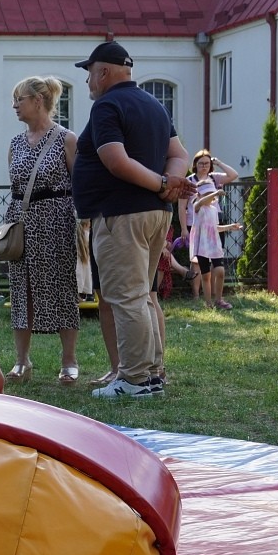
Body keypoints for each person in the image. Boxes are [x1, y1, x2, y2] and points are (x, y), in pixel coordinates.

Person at [70, 41, 194, 399]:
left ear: (104, 71)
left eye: (90, 73)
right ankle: (151, 375)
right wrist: (168, 184)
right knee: (141, 296)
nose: (88, 82)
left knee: (126, 297)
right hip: (156, 214)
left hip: (121, 214)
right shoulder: (153, 105)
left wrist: (161, 183)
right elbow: (179, 154)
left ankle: (136, 380)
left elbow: (115, 160)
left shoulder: (107, 106)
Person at [4, 75, 81, 386]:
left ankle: (69, 360)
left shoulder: (66, 138)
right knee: (21, 289)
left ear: (38, 101)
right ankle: (22, 360)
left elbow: (78, 184)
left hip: (57, 219)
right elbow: (13, 186)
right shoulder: (15, 143)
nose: (14, 106)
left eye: (19, 99)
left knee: (63, 287)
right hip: (23, 220)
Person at [184, 150, 239, 309]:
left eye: (211, 194)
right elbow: (201, 202)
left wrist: (230, 227)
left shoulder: (214, 210)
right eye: (206, 194)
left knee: (220, 271)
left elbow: (215, 228)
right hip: (202, 245)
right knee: (206, 275)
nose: (210, 196)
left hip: (214, 244)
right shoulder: (197, 206)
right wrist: (215, 192)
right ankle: (208, 303)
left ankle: (219, 299)